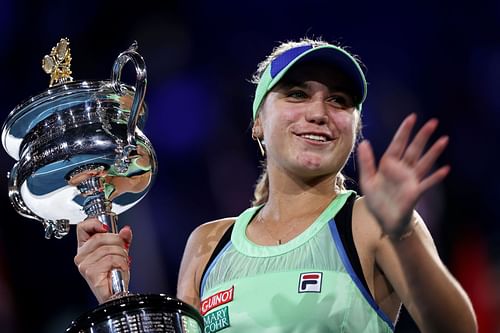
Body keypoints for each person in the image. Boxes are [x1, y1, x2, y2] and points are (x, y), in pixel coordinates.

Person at [75, 38, 477, 332]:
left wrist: (404, 232)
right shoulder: (208, 244)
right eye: (298, 94)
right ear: (257, 123)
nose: (319, 112)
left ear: (355, 129)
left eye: (339, 101)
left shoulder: (370, 222)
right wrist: (114, 300)